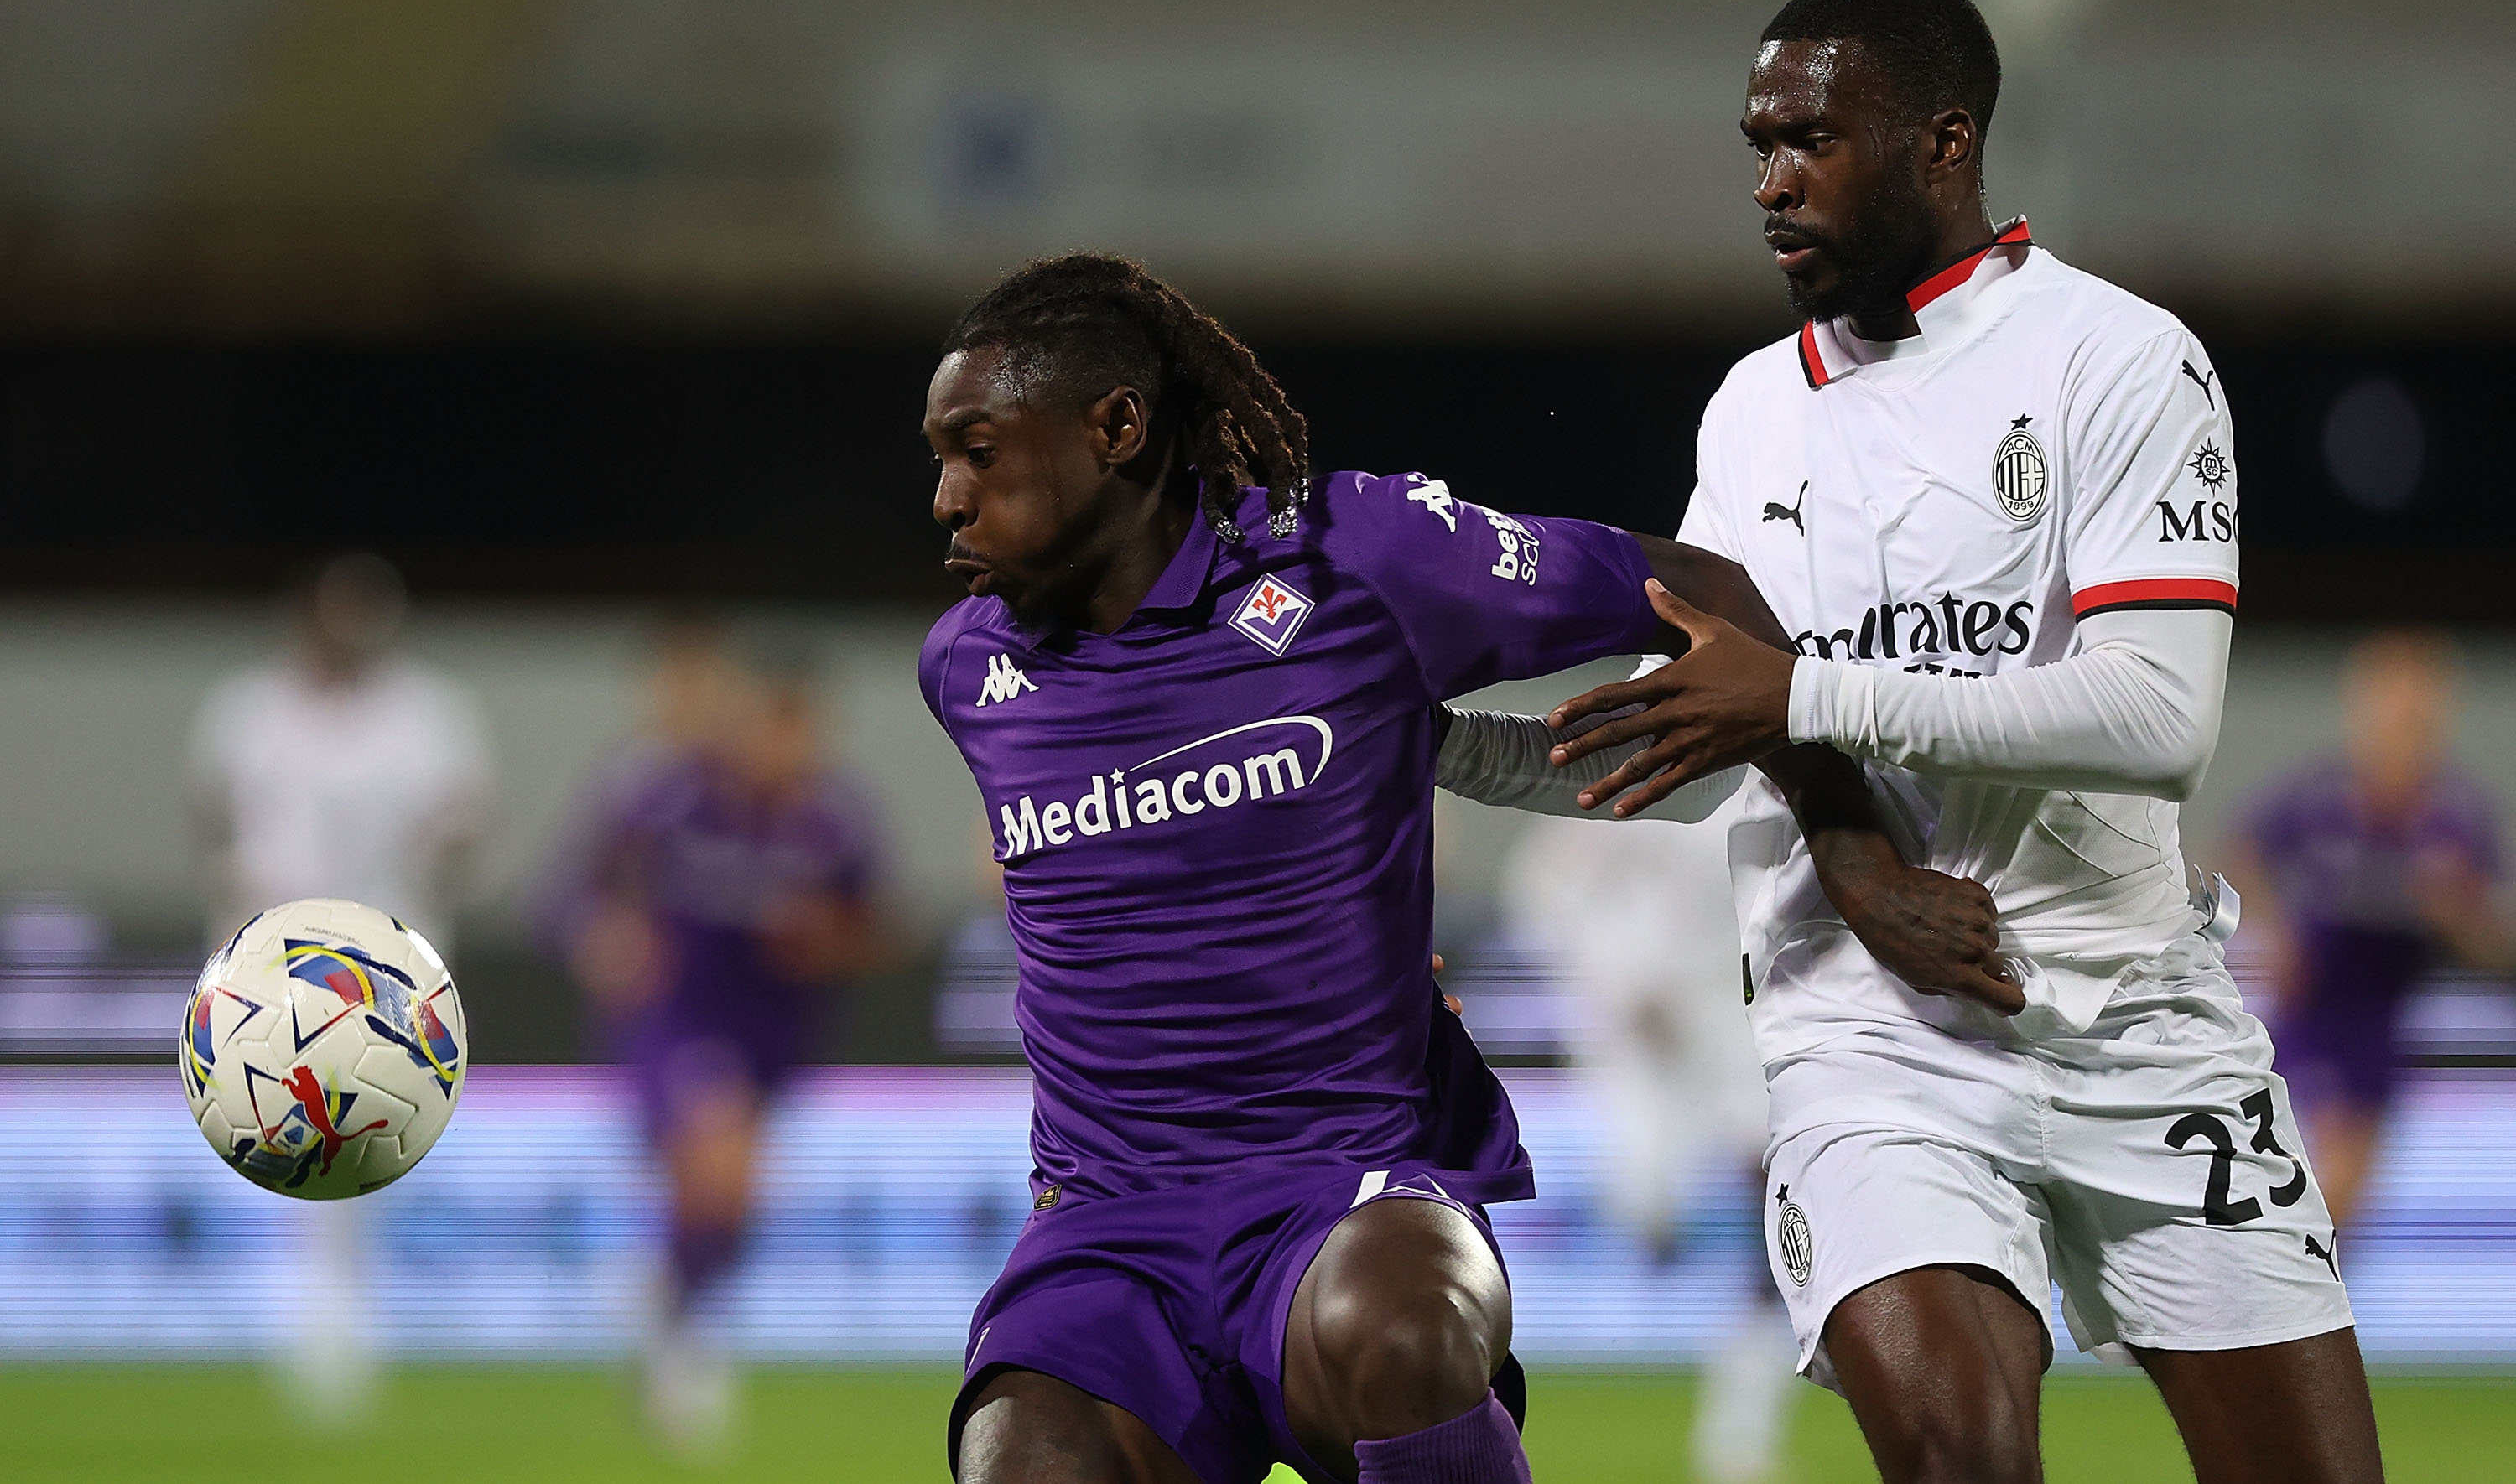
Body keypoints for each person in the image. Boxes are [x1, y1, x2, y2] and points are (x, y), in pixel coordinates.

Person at [918, 252, 1999, 1484]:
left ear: (1116, 426)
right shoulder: (966, 671)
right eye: (939, 460)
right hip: (1105, 1229)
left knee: (1404, 1329)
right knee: (1016, 1456)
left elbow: (1705, 594)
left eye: (978, 450)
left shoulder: (1353, 561)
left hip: (1338, 1195)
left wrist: (1853, 856)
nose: (947, 497)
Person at [1527, 0, 2382, 1484]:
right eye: (1756, 145)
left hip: (2141, 1021)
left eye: (1808, 142)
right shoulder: (1749, 412)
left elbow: (2156, 714)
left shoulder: (2119, 361)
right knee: (1959, 1449)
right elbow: (1694, 735)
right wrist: (1400, 737)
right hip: (1869, 1031)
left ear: (1943, 141)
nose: (1770, 183)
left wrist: (1804, 691)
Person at [538, 628, 887, 1454]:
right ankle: (688, 1355)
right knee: (715, 1158)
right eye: (777, 725)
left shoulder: (832, 823)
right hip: (680, 1020)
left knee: (732, 1203)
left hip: (775, 1032)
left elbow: (877, 930)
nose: (790, 746)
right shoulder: (670, 800)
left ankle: (670, 1310)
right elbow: (565, 893)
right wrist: (605, 937)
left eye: (805, 729)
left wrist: (824, 942)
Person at [188, 550, 494, 1419]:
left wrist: (433, 853)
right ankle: (319, 1315)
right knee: (295, 1136)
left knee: (367, 1140)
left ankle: (346, 1309)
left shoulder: (426, 713)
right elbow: (211, 809)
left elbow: (466, 820)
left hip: (385, 967)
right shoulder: (248, 710)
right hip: (270, 968)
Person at [1499, 797, 1794, 1484]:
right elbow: (1540, 896)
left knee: (1777, 1228)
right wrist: (1615, 985)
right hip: (1635, 1052)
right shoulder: (1597, 798)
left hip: (1736, 1030)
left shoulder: (1759, 786)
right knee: (1648, 1219)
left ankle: (1737, 1441)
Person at [2227, 631, 2508, 1227]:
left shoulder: (2455, 814)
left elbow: (2493, 948)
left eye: (2417, 713)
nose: (2401, 729)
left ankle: (2312, 1304)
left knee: (2347, 1198)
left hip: (2379, 1024)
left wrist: (2456, 913)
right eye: (2390, 708)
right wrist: (2274, 934)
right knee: (2278, 1171)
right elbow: (2240, 855)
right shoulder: (2317, 796)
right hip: (2309, 1008)